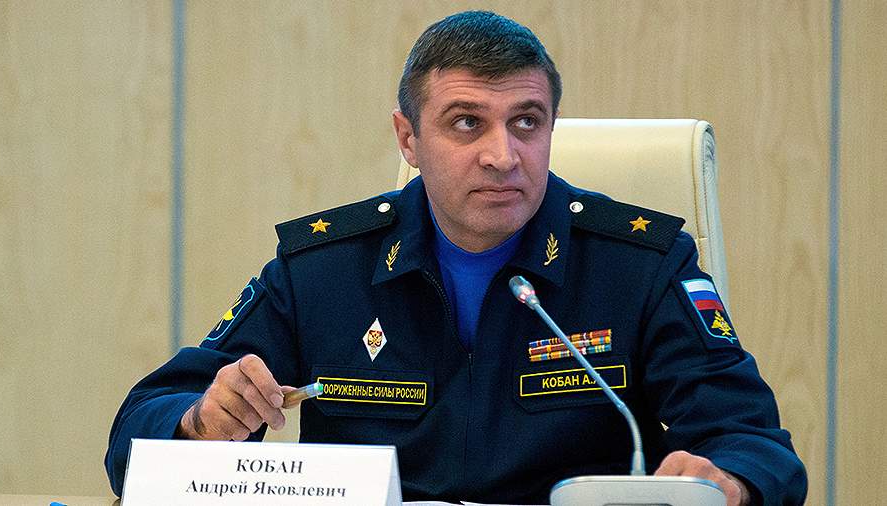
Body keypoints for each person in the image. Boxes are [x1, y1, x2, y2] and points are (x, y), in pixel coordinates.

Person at [106, 11, 807, 505]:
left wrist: (729, 481)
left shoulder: (641, 266)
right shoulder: (323, 269)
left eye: (526, 122)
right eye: (467, 122)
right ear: (408, 139)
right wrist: (201, 422)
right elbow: (139, 430)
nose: (503, 155)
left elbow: (754, 443)